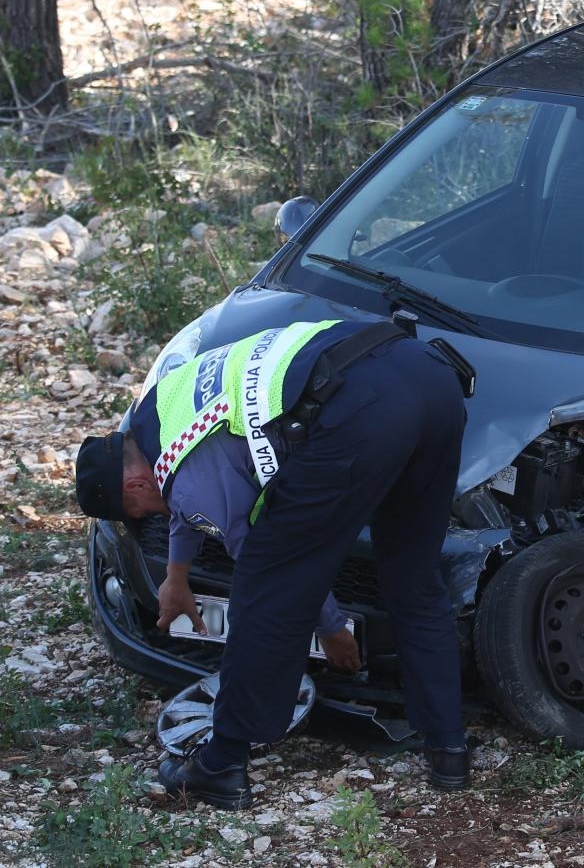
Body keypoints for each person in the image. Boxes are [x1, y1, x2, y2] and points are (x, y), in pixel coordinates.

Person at [74, 318, 471, 810]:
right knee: (413, 574)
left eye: (139, 512)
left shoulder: (184, 475)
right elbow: (182, 489)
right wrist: (176, 577)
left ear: (133, 487)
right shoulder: (162, 408)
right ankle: (449, 748)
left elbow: (270, 564)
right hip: (429, 377)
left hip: (358, 409)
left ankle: (221, 765)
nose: (152, 514)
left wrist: (331, 627)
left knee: (265, 589)